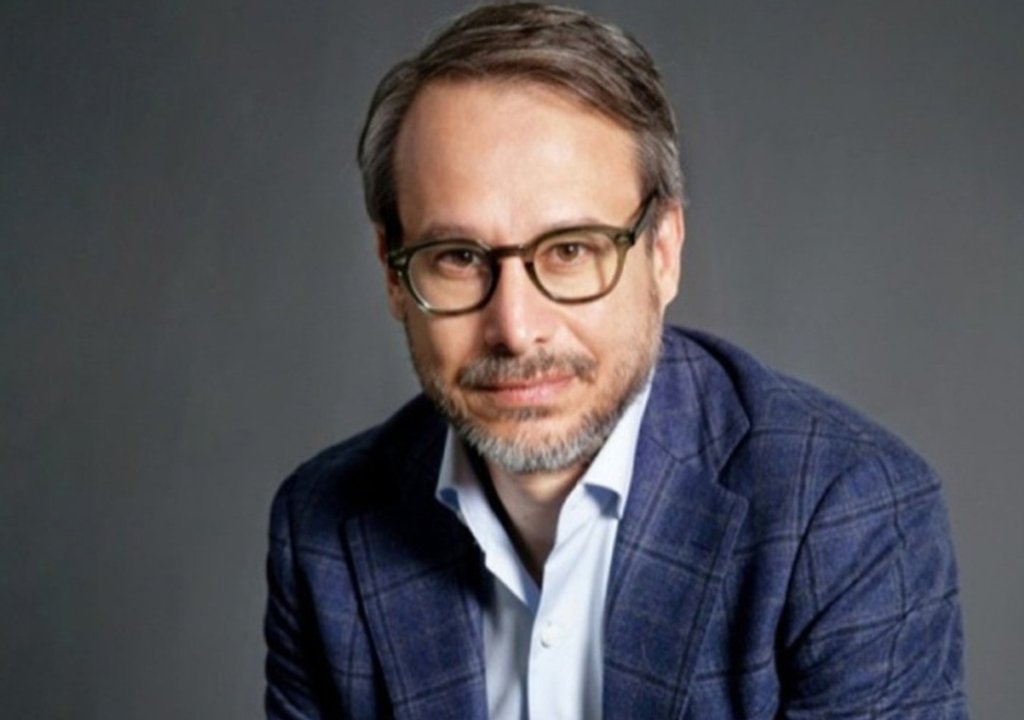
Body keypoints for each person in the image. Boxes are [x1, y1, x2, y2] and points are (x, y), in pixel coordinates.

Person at [264, 3, 967, 718]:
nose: (516, 329)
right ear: (392, 272)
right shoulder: (320, 529)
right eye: (458, 258)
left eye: (570, 250)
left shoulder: (845, 516)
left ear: (663, 252)